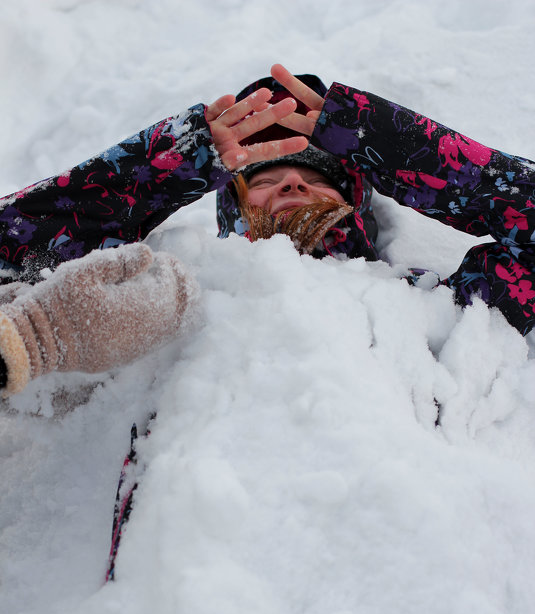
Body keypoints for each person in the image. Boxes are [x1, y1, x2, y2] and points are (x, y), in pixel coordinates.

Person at [1, 64, 535, 398]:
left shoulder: (431, 313)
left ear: (354, 202)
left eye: (314, 178)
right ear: (231, 207)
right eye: (269, 178)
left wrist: (383, 144)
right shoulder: (164, 306)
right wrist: (165, 170)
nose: (293, 187)